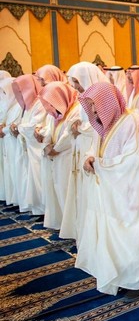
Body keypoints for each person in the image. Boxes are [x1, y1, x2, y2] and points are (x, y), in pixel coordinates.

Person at [75, 82, 139, 300]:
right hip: (108, 192)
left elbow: (133, 160)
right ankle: (117, 276)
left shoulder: (131, 122)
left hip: (129, 193)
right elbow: (95, 150)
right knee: (109, 235)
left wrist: (102, 165)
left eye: (95, 105)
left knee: (128, 235)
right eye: (90, 105)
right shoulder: (104, 124)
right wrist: (90, 159)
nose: (92, 111)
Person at [61, 62, 109, 240]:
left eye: (77, 81)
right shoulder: (82, 97)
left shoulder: (101, 95)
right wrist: (75, 127)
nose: (75, 85)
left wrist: (80, 129)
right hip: (82, 147)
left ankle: (93, 235)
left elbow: (101, 123)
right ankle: (81, 231)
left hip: (94, 147)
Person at [38, 82, 80, 230]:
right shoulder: (55, 113)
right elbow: (49, 130)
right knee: (57, 190)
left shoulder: (76, 110)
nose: (48, 107)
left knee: (68, 192)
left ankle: (73, 228)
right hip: (55, 157)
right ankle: (62, 223)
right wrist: (47, 145)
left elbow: (69, 135)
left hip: (67, 157)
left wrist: (55, 148)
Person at [14, 74, 48, 216]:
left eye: (23, 90)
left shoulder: (39, 103)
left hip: (38, 147)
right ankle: (37, 210)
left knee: (40, 179)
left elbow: (33, 126)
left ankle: (43, 210)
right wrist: (20, 127)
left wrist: (18, 127)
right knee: (32, 179)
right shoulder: (29, 106)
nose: (21, 95)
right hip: (30, 148)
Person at [0, 73, 17, 205]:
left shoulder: (18, 107)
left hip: (14, 143)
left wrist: (4, 129)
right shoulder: (9, 107)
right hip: (7, 142)